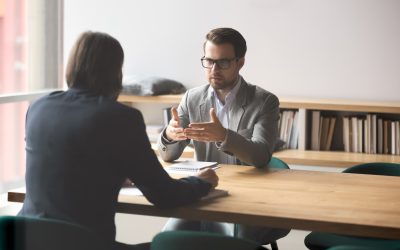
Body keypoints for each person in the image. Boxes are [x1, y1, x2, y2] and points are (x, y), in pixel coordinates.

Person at [18, 31, 219, 250]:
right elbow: (164, 195)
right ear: (115, 72)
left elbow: (63, 163)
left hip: (27, 240)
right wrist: (202, 182)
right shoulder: (121, 118)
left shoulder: (39, 106)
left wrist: (109, 174)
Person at [157, 27, 289, 245]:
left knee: (230, 239)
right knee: (168, 239)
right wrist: (170, 136)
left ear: (240, 62)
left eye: (223, 62)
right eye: (208, 61)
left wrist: (224, 136)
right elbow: (168, 157)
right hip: (204, 192)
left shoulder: (264, 102)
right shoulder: (192, 98)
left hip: (250, 197)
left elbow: (261, 156)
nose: (214, 69)